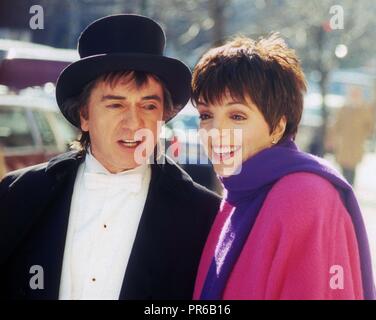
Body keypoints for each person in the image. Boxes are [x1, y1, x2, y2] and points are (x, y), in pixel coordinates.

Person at [0, 14, 220, 300]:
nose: (133, 123)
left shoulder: (204, 215)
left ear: (163, 116)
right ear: (84, 115)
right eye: (115, 104)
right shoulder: (19, 194)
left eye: (149, 106)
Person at [191, 35, 375, 299]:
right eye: (206, 115)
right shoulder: (237, 197)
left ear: (277, 126)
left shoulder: (305, 195)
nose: (215, 132)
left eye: (237, 116)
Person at [330, 87, 375, 185]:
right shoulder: (344, 109)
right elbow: (336, 126)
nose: (354, 96)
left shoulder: (363, 110)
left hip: (356, 146)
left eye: (356, 94)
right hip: (344, 146)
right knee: (343, 170)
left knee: (352, 171)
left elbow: (369, 127)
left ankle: (350, 189)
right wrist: (332, 139)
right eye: (353, 94)